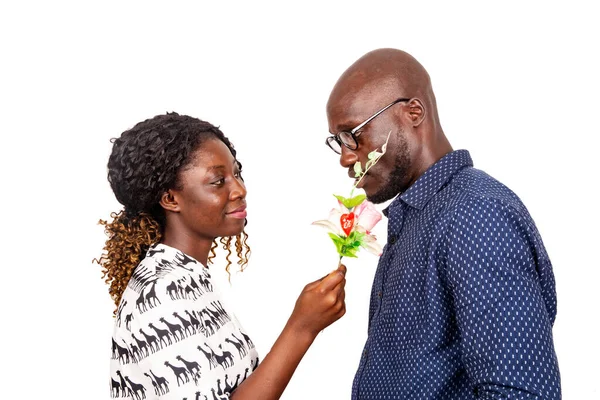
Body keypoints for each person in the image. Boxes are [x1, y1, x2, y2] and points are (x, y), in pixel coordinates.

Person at [324, 49, 560, 399]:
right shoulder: (419, 218)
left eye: (353, 134)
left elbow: (519, 393)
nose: (346, 156)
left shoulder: (475, 215)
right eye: (338, 141)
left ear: (413, 113)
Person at [96, 112, 346, 400]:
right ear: (170, 199)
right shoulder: (163, 292)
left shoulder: (185, 278)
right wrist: (301, 327)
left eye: (236, 174)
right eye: (218, 181)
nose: (240, 189)